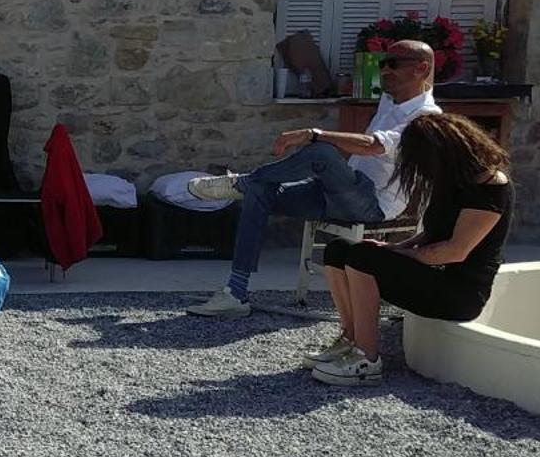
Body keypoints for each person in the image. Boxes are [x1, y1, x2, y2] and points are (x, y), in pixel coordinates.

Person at [184, 39, 442, 317]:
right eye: (382, 64)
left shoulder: (426, 116)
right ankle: (235, 294)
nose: (384, 70)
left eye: (393, 64)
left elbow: (374, 145)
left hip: (373, 203)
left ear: (421, 69)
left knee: (322, 151)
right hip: (344, 191)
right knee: (260, 188)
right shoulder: (389, 101)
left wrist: (312, 133)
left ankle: (241, 182)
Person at [309, 113, 514, 386]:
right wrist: (395, 247)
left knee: (363, 258)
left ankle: (366, 358)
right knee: (338, 249)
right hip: (434, 277)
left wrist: (395, 256)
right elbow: (433, 233)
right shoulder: (455, 181)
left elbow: (456, 251)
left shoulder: (490, 189)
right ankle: (350, 339)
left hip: (459, 294)